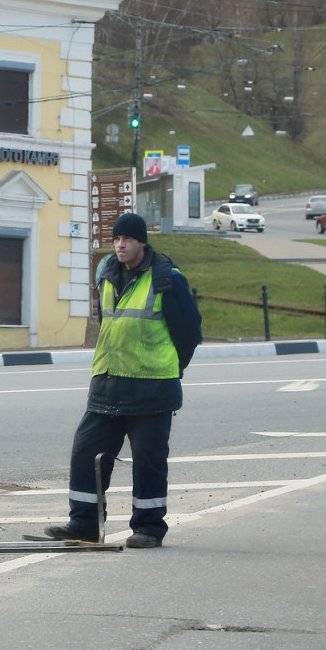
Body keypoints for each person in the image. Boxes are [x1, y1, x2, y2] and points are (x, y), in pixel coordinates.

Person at [45, 212, 202, 549]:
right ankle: (84, 523)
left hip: (152, 388)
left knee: (148, 460)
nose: (120, 245)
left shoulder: (166, 278)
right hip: (107, 384)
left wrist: (172, 368)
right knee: (85, 453)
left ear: (142, 242)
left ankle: (148, 528)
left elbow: (189, 332)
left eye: (127, 239)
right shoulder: (107, 274)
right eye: (116, 239)